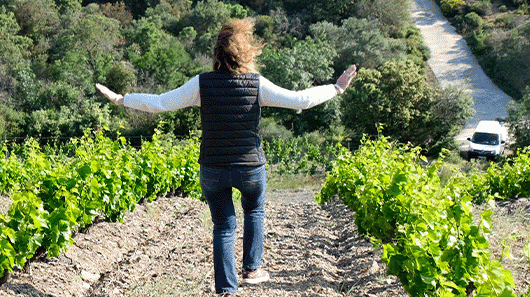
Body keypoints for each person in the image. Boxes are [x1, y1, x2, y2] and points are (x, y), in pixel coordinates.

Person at [94, 18, 356, 295]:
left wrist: (122, 98)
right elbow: (300, 100)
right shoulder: (256, 84)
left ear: (216, 54)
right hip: (250, 167)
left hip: (213, 168)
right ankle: (252, 269)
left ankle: (226, 290)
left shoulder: (201, 84)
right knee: (254, 210)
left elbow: (160, 103)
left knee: (223, 226)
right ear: (247, 53)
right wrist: (335, 88)